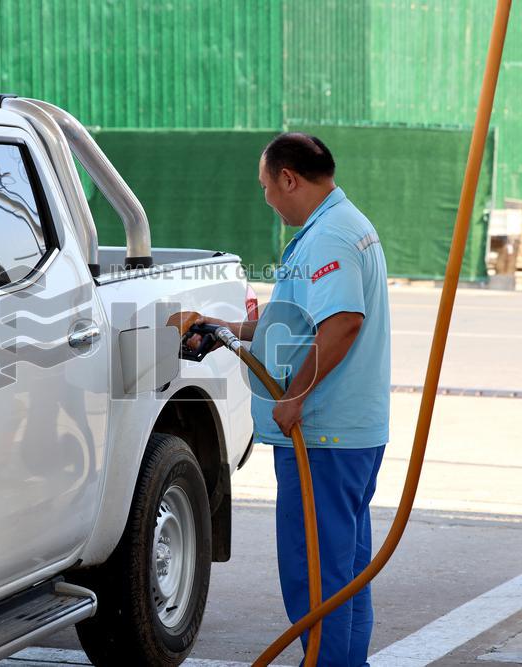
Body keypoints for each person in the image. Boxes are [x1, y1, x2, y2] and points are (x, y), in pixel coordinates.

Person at [189, 133, 391, 666]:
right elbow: (297, 326)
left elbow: (342, 323)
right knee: (344, 572)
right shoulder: (342, 225)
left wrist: (295, 396)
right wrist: (223, 328)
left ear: (288, 178)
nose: (267, 199)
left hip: (324, 437)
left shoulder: (329, 238)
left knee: (318, 576)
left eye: (266, 187)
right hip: (347, 435)